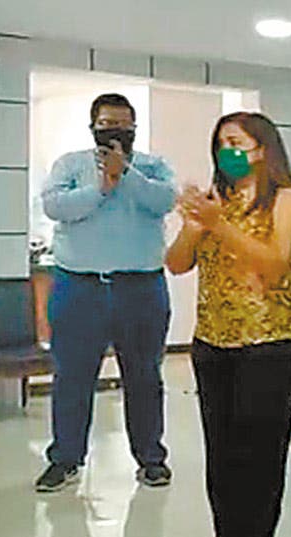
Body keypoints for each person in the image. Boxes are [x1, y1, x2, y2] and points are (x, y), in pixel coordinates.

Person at [165, 112, 291, 537]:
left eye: (236, 142)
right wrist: (195, 224)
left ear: (263, 149)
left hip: (270, 343)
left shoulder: (287, 200)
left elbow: (277, 265)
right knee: (221, 449)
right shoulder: (215, 200)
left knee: (260, 450)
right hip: (213, 342)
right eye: (221, 143)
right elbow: (176, 263)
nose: (227, 152)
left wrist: (219, 225)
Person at [36, 93, 177, 493]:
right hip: (79, 288)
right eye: (106, 124)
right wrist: (101, 186)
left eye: (122, 124)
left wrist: (125, 173)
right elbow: (55, 207)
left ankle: (151, 459)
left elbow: (165, 201)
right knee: (72, 377)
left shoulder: (152, 166)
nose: (114, 130)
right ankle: (65, 459)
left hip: (141, 288)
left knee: (144, 376)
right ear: (92, 127)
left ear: (134, 128)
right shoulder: (70, 165)